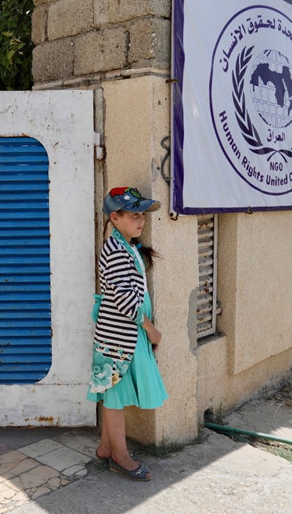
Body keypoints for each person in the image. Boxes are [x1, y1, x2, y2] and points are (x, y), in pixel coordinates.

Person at [88, 186, 168, 481]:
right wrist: (151, 330)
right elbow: (124, 300)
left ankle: (106, 448)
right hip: (118, 338)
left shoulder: (127, 246)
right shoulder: (115, 250)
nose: (141, 219)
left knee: (114, 393)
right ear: (115, 218)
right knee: (114, 396)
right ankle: (120, 457)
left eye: (142, 214)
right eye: (134, 214)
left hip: (124, 336)